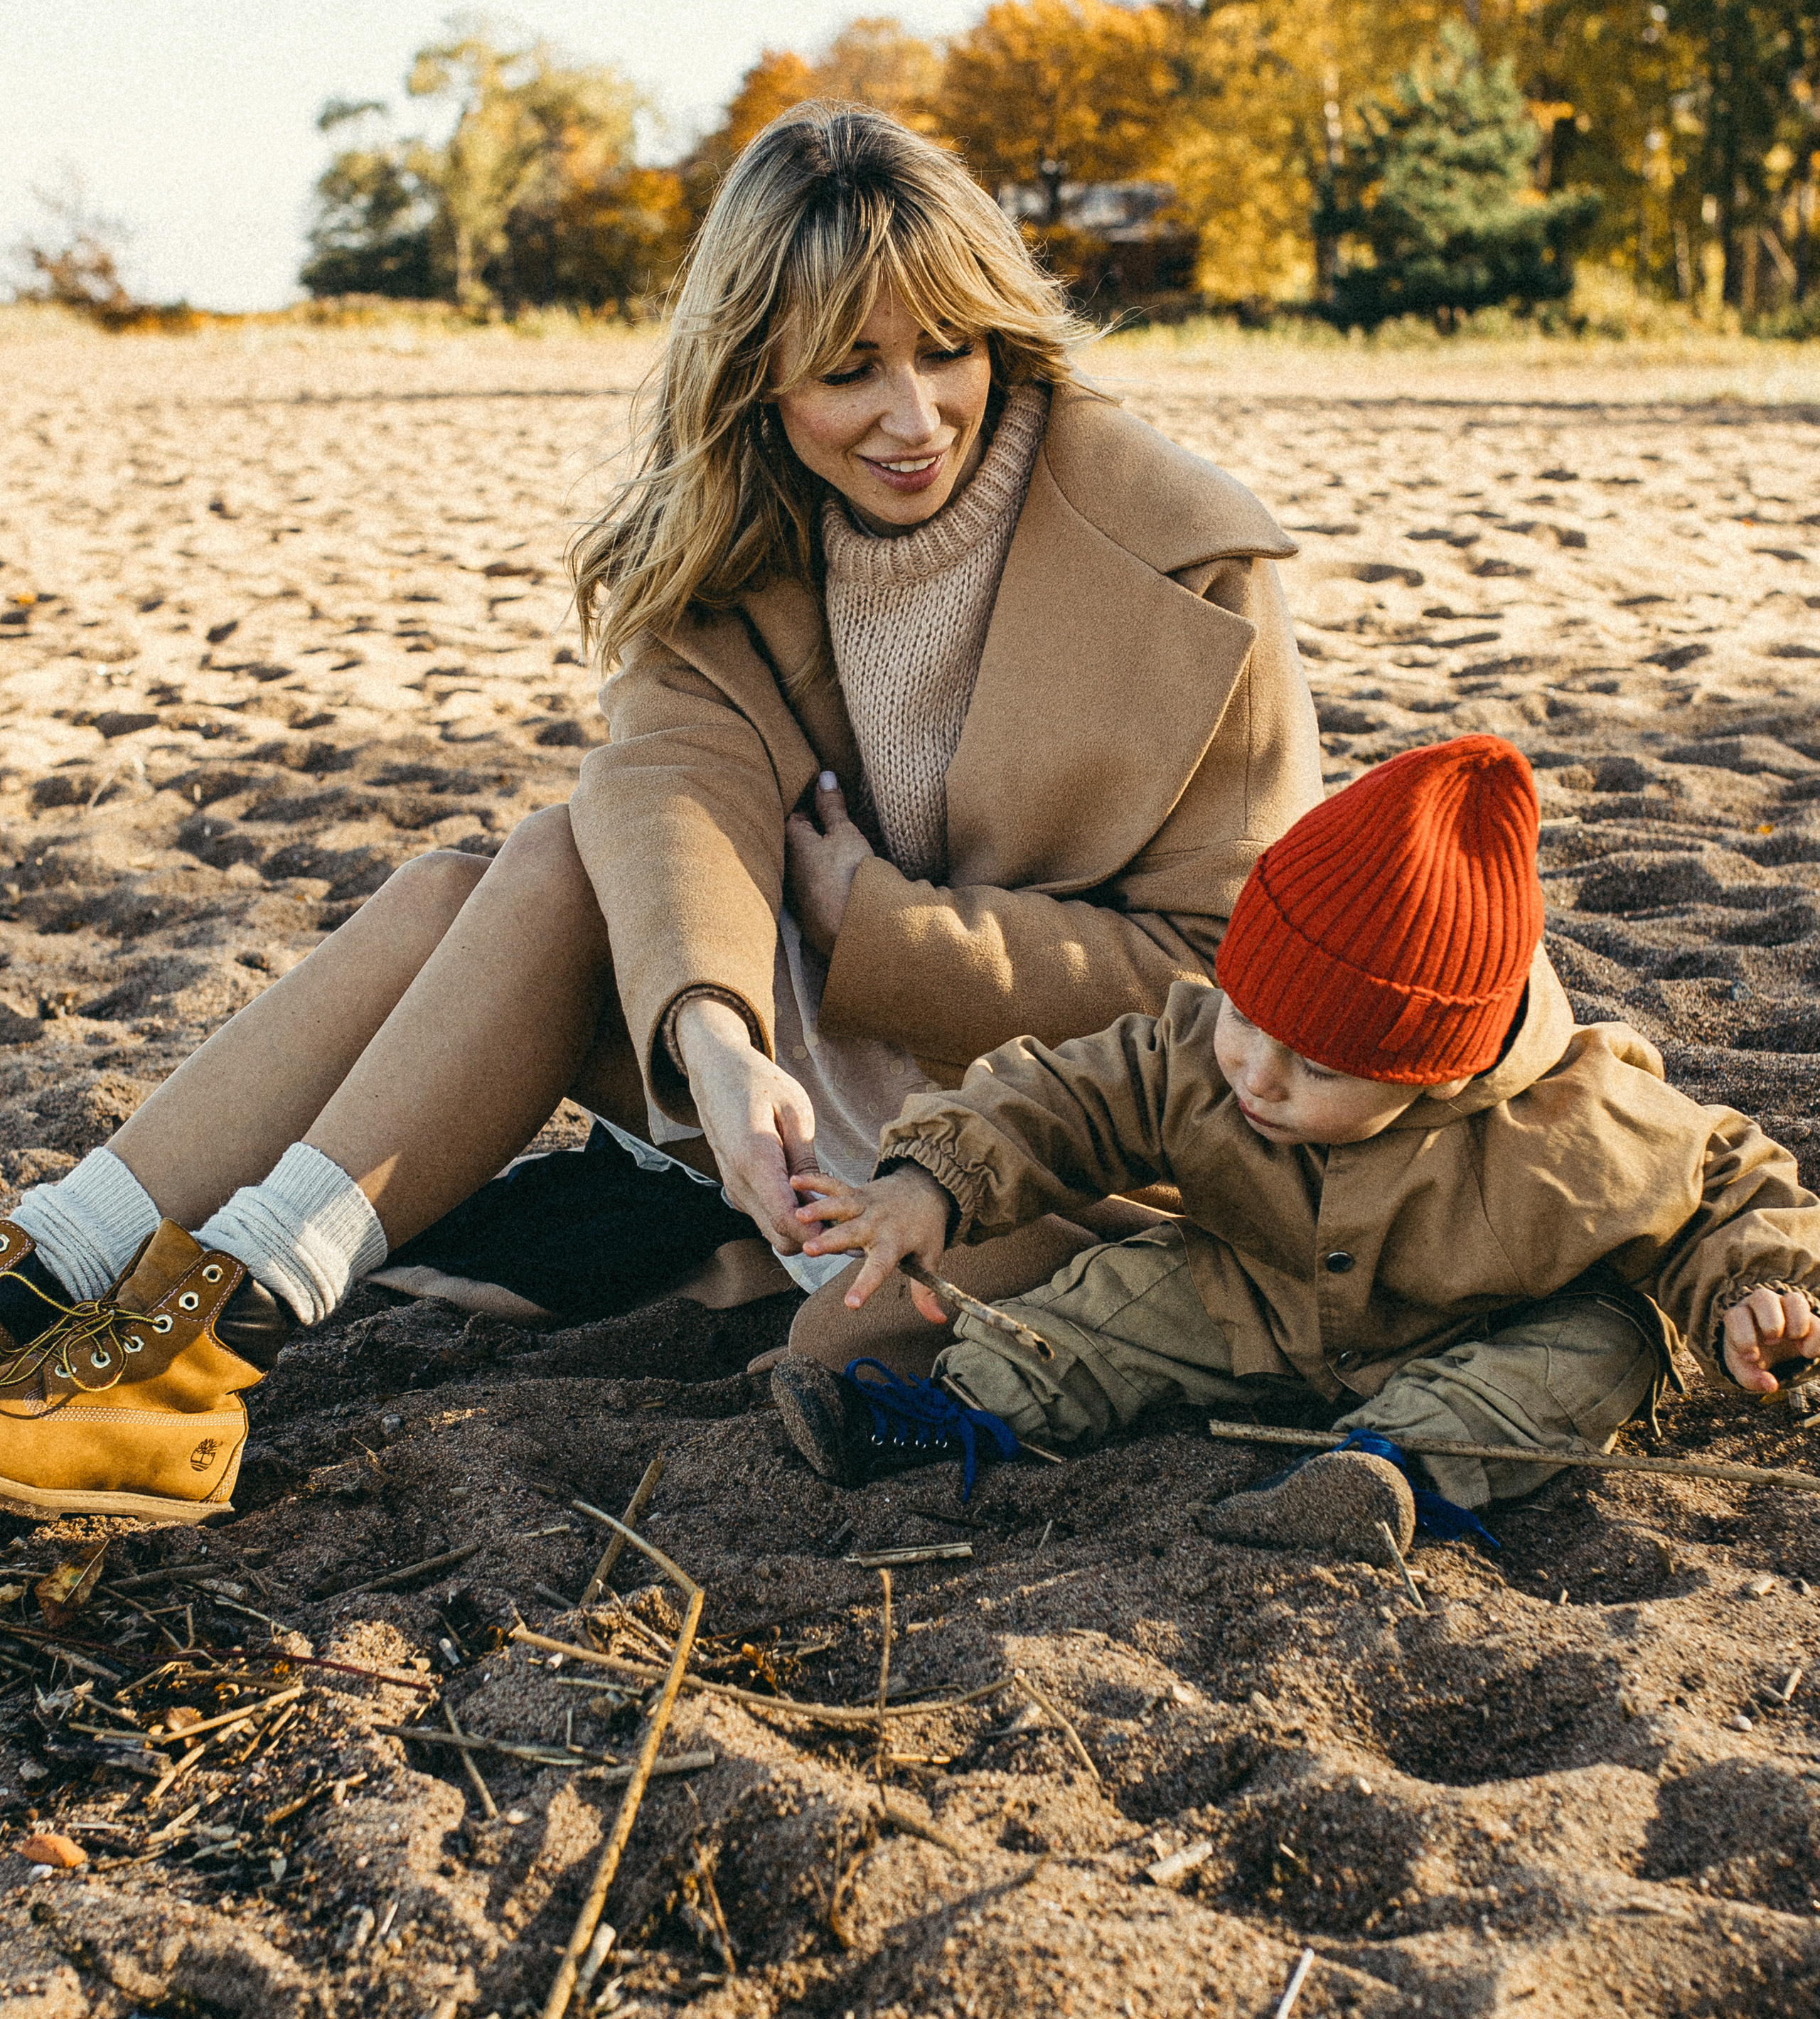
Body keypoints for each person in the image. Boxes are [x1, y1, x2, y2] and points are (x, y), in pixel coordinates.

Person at [0, 104, 1322, 1523]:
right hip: (793, 1102)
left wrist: (881, 928)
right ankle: (49, 1269)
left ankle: (207, 1350)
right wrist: (714, 1037)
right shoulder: (741, 534)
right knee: (519, 868)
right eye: (846, 370)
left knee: (532, 873)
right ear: (758, 376)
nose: (914, 414)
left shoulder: (1187, 564)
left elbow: (1222, 991)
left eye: (948, 347)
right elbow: (660, 788)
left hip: (1037, 1163)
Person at [771, 735, 1820, 1560]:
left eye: (1317, 1068)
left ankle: (1389, 1475)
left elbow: (1722, 1179)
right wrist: (932, 1183)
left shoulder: (1575, 1127)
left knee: (1600, 1351)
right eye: (1245, 1016)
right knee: (1111, 1301)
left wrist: (1756, 1289)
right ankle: (949, 1409)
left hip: (1493, 1327)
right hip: (1263, 1297)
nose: (1256, 1075)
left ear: (1435, 1073)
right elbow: (1062, 1099)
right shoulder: (1209, 1053)